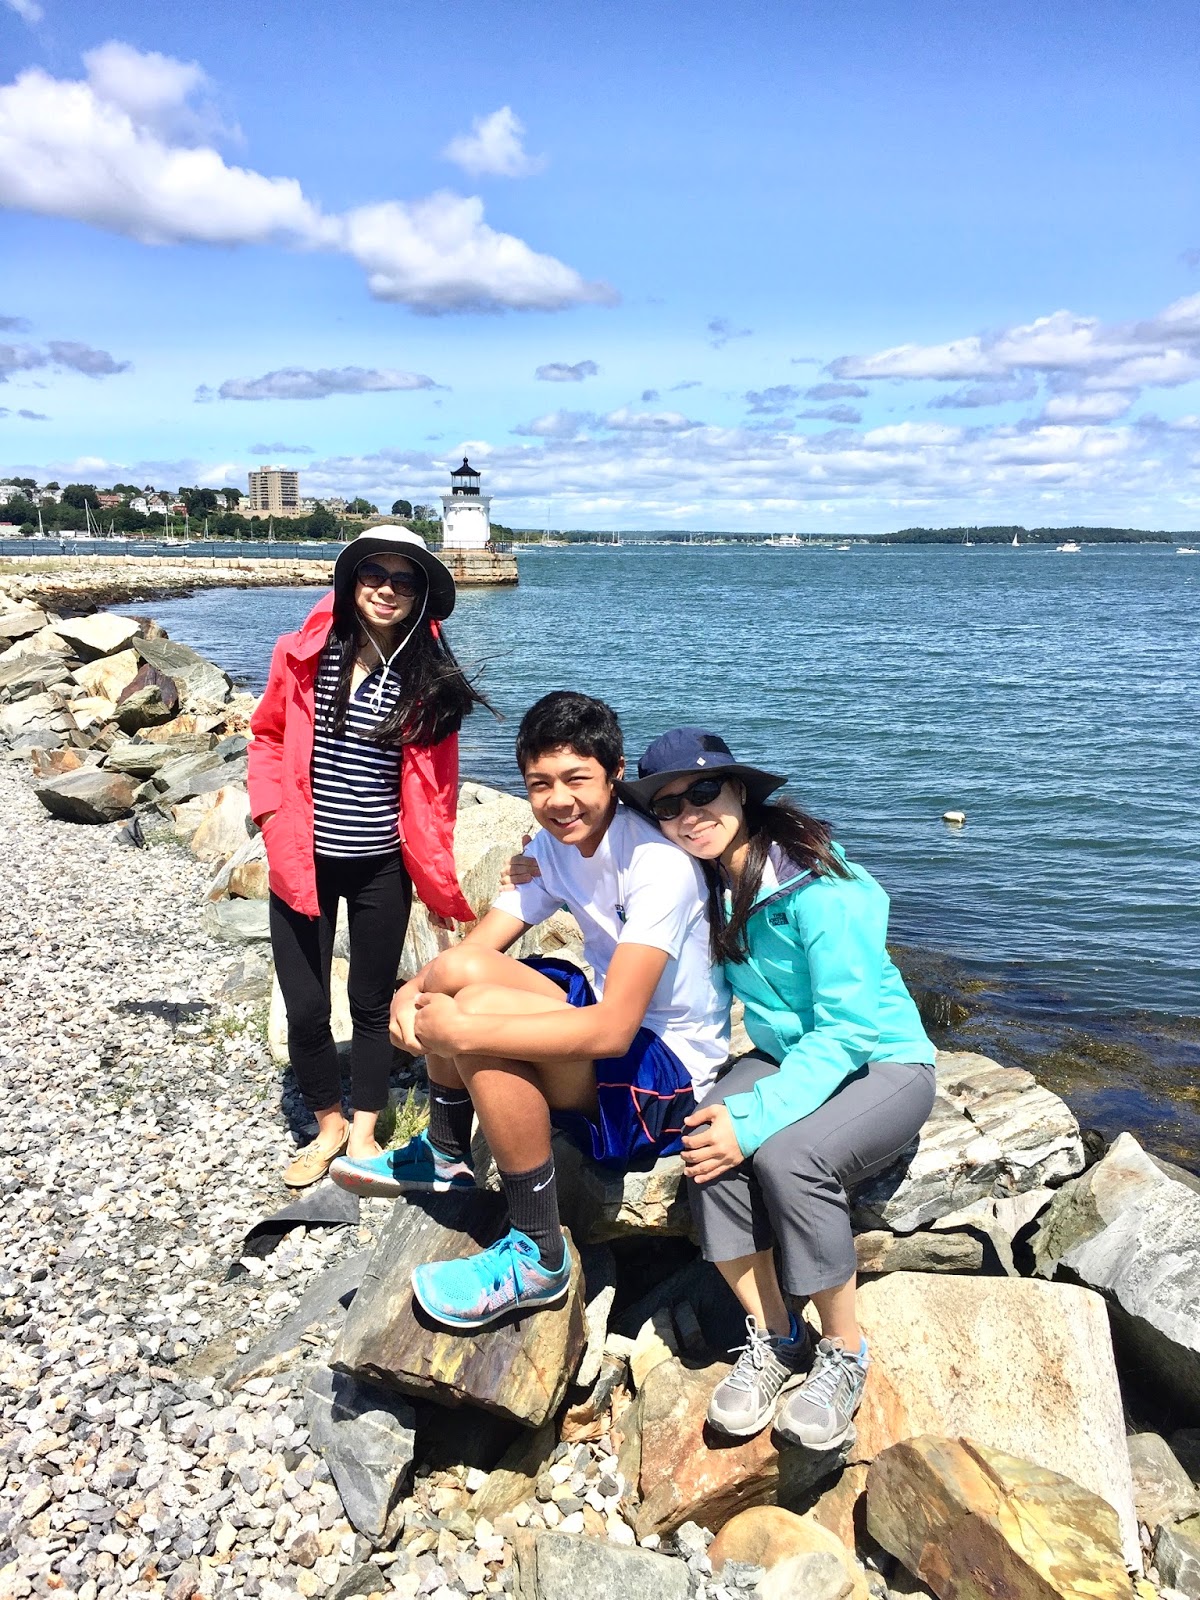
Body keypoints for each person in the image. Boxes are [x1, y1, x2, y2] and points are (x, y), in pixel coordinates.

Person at [331, 691, 730, 1331]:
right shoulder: (550, 846)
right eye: (539, 784)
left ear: (616, 772)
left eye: (577, 779)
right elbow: (477, 948)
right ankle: (445, 1154)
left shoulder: (660, 866)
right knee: (458, 975)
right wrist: (416, 991)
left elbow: (615, 1029)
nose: (558, 801)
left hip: (667, 1071)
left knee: (481, 1023)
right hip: (606, 1017)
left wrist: (462, 1029)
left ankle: (540, 1253)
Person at [617, 727, 936, 1450]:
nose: (689, 813)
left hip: (885, 1062)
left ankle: (845, 1352)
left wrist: (757, 1120)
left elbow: (849, 1032)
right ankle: (778, 1335)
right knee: (706, 1136)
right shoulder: (707, 882)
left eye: (704, 791)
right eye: (668, 806)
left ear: (740, 793)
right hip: (789, 1055)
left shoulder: (820, 887)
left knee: (788, 1157)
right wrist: (536, 863)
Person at [248, 528, 485, 1189]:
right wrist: (268, 814)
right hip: (305, 858)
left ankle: (365, 1133)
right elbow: (266, 736)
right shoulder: (306, 656)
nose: (385, 588)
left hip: (381, 862)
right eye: (372, 575)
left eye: (402, 581)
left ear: (418, 597)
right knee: (304, 1006)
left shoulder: (427, 678)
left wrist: (437, 879)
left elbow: (436, 791)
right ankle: (326, 1127)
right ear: (351, 584)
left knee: (372, 1003)